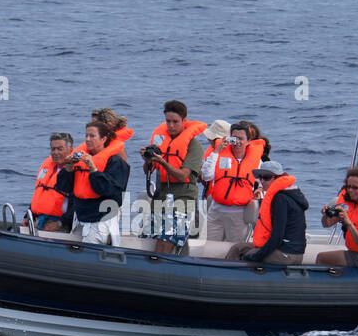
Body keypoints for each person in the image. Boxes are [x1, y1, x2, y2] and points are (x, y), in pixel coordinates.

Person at [144, 100, 207, 253]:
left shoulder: (194, 145)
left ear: (184, 121)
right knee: (156, 241)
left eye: (175, 122)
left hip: (182, 199)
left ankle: (162, 273)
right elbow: (148, 171)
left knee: (166, 244)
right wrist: (148, 160)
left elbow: (182, 175)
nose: (171, 126)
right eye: (168, 121)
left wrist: (162, 162)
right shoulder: (162, 141)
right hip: (162, 197)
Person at [225, 160, 308, 265]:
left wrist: (255, 256)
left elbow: (277, 236)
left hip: (288, 253)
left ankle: (238, 278)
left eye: (267, 177)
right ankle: (227, 273)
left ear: (278, 178)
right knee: (237, 248)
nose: (262, 181)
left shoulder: (281, 199)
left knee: (249, 255)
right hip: (281, 248)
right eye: (260, 177)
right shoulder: (281, 195)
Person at [71, 108, 133, 247]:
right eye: (87, 134)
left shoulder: (115, 155)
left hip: (103, 210)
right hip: (83, 211)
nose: (88, 139)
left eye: (93, 134)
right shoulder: (87, 153)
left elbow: (116, 187)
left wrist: (94, 169)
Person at [200, 121, 264, 243]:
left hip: (239, 215)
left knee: (234, 251)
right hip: (216, 212)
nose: (237, 142)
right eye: (234, 138)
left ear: (248, 141)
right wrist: (216, 152)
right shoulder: (219, 154)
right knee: (211, 248)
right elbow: (207, 176)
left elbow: (264, 180)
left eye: (241, 139)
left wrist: (260, 189)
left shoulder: (256, 161)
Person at [26, 132, 75, 232]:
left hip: (60, 224)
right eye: (53, 149)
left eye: (60, 149)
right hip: (40, 220)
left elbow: (78, 204)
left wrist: (62, 223)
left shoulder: (75, 171)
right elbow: (40, 194)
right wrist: (27, 216)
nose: (55, 152)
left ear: (70, 150)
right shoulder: (48, 166)